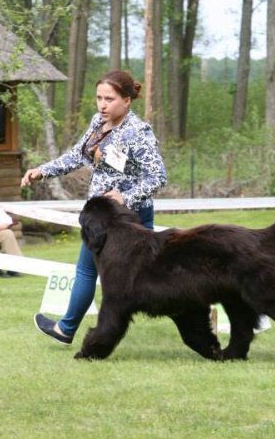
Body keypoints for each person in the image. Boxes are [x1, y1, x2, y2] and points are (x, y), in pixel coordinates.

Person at [22, 70, 167, 346]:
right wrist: (42, 170)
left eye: (109, 99)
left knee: (149, 275)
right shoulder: (97, 123)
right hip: (101, 217)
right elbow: (77, 156)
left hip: (129, 217)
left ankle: (195, 303)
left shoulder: (138, 132)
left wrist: (125, 197)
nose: (102, 104)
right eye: (99, 98)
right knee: (88, 271)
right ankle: (66, 329)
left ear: (127, 101)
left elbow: (158, 176)